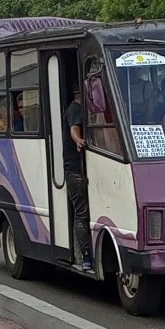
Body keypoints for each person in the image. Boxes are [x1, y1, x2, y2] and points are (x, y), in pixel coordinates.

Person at [63, 81, 93, 271]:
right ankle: (86, 256)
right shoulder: (76, 109)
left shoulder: (81, 109)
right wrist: (79, 140)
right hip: (76, 170)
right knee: (81, 214)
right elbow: (74, 129)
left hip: (80, 170)